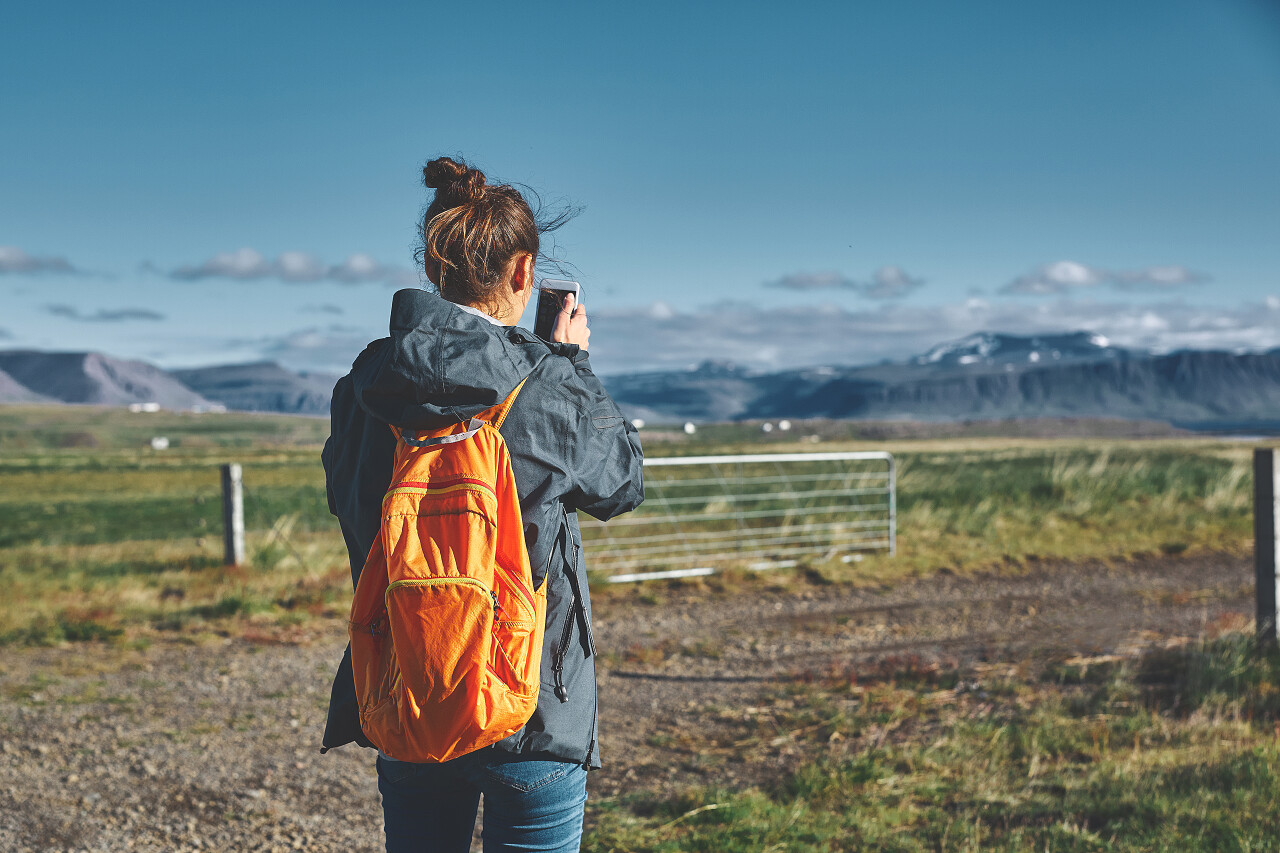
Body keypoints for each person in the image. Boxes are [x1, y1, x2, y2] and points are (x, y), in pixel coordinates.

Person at [320, 155, 644, 853]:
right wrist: (573, 365)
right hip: (530, 702)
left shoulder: (366, 383)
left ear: (432, 267)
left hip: (406, 683)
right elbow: (622, 483)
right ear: (524, 272)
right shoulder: (546, 380)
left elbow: (346, 498)